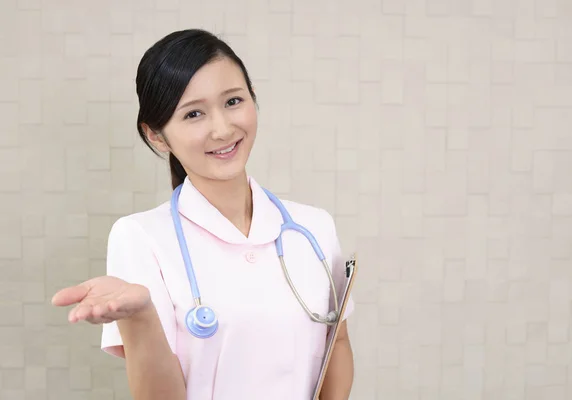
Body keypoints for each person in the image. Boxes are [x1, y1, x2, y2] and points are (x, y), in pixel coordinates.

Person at [51, 29, 354, 400]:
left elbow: (336, 343)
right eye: (193, 113)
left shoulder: (314, 228)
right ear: (157, 136)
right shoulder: (140, 237)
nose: (222, 129)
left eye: (233, 101)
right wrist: (141, 317)